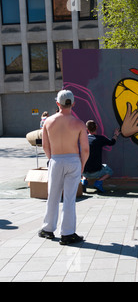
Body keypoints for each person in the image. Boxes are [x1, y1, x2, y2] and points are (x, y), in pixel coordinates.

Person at [38, 90, 89, 245]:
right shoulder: (79, 124)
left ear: (57, 103)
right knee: (69, 198)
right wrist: (82, 165)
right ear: (73, 103)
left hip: (56, 159)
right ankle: (67, 233)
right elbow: (85, 149)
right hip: (73, 160)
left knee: (53, 195)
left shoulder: (48, 122)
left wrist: (52, 160)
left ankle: (47, 229)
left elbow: (45, 146)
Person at [81, 120, 120, 193]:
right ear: (96, 127)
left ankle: (83, 180)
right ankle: (98, 182)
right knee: (109, 171)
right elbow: (112, 142)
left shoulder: (83, 139)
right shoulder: (100, 139)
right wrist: (116, 134)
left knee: (85, 165)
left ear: (87, 129)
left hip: (83, 171)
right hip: (96, 172)